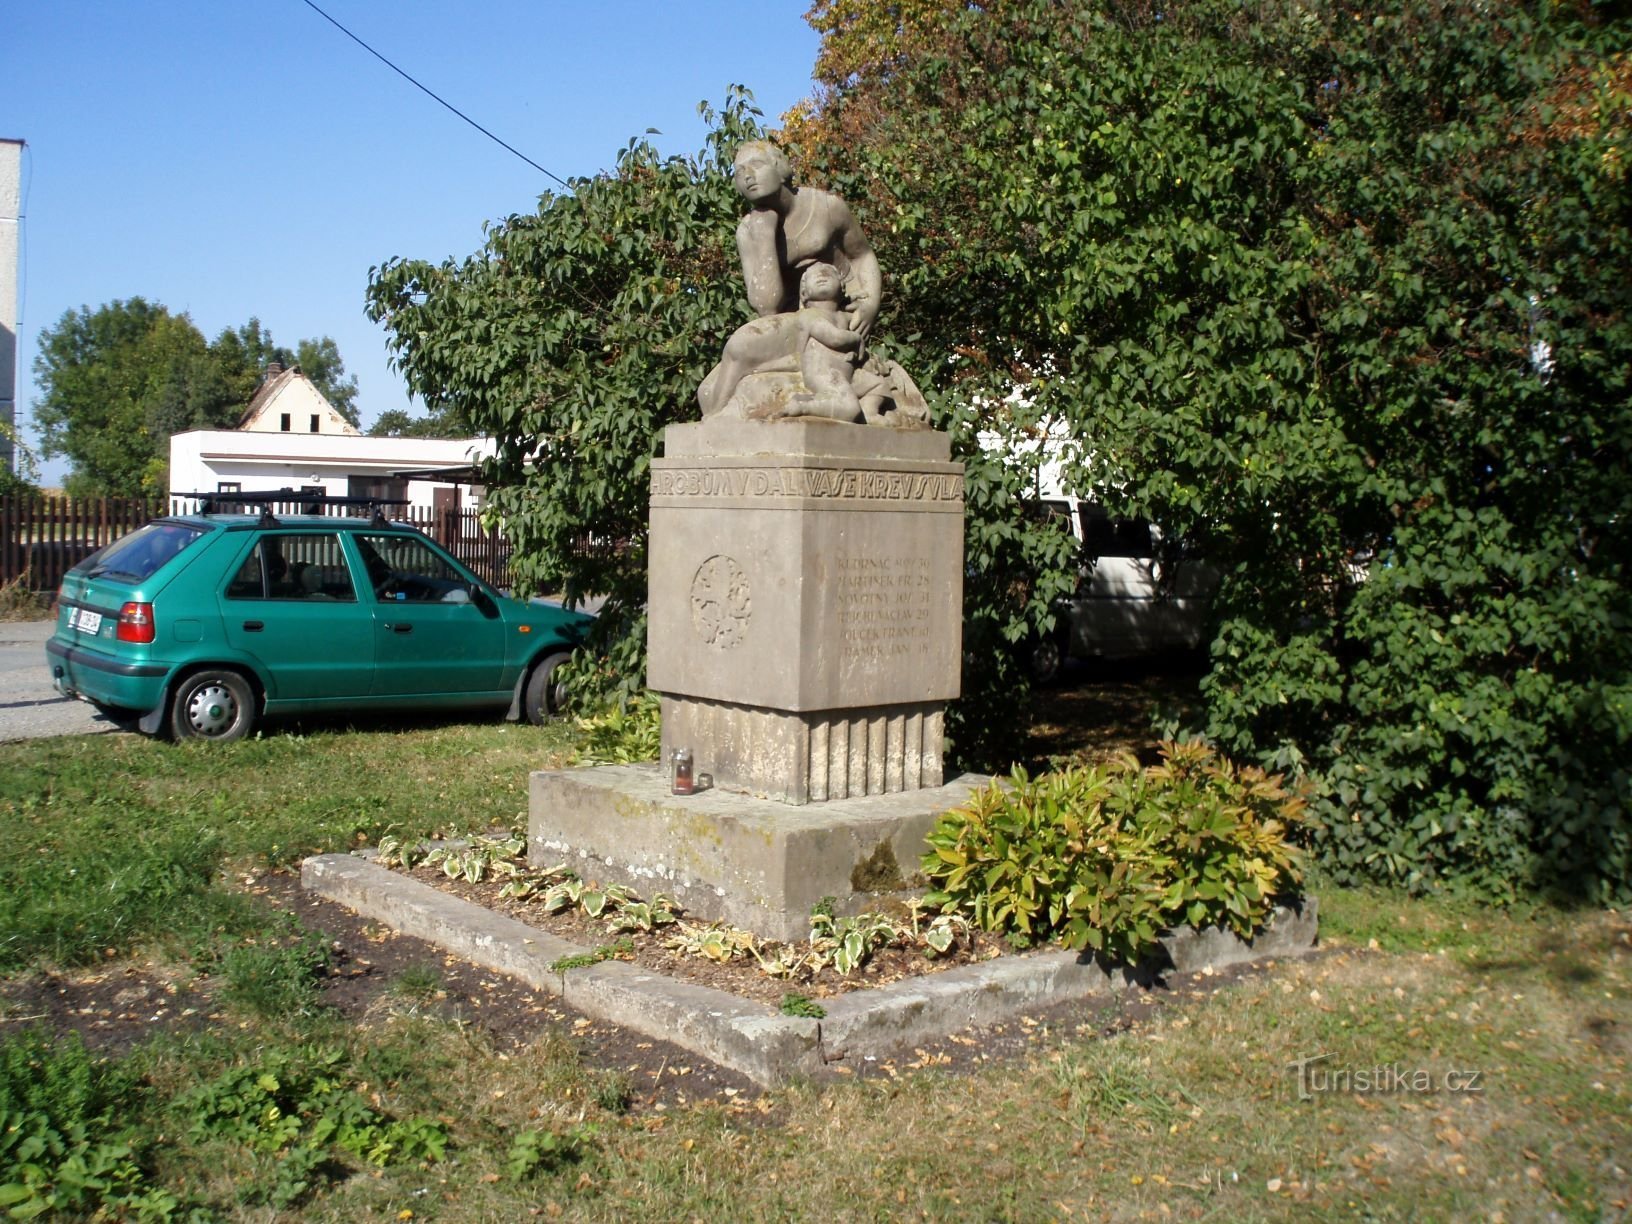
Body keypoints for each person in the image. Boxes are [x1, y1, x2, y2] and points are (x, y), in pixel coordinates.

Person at [697, 141, 883, 418]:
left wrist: (870, 303)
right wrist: (763, 235)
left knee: (740, 348)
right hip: (791, 321)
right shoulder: (749, 230)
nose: (747, 176)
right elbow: (766, 307)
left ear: (781, 168)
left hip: (835, 313)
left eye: (756, 165)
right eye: (738, 172)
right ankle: (716, 415)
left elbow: (862, 255)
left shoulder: (828, 207)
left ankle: (715, 416)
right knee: (707, 391)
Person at [783, 262, 864, 421]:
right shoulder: (809, 315)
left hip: (846, 374)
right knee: (850, 409)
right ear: (804, 293)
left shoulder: (843, 316)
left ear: (841, 285)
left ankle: (871, 411)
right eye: (814, 275)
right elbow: (834, 338)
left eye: (827, 272)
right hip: (823, 373)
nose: (821, 275)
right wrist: (856, 338)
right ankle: (802, 406)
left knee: (878, 386)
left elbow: (861, 310)